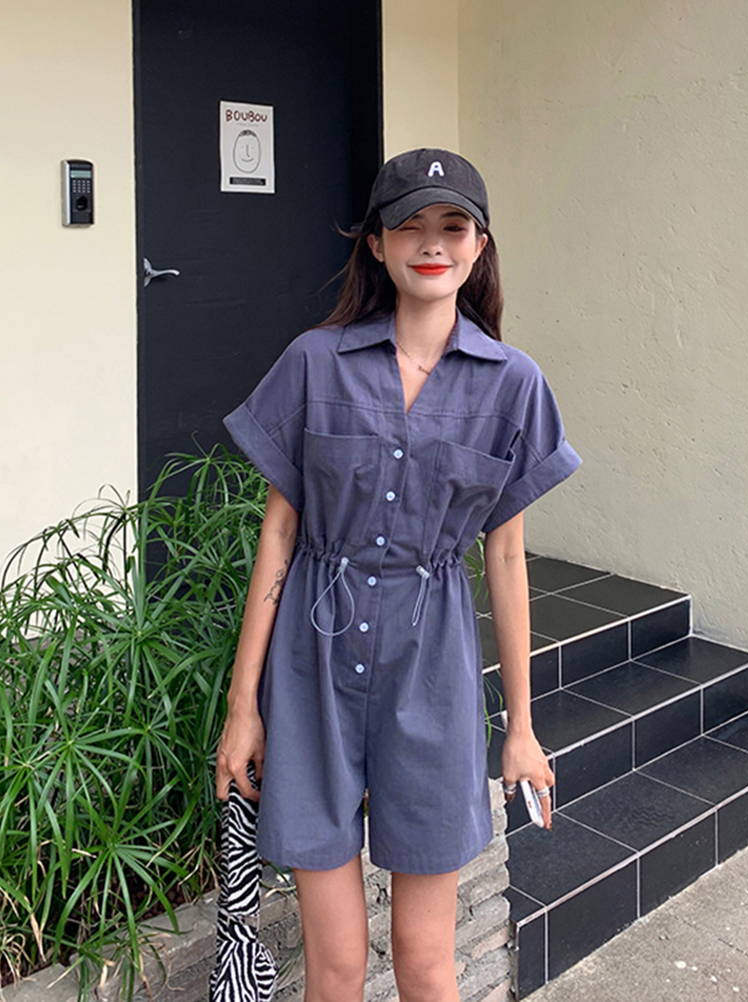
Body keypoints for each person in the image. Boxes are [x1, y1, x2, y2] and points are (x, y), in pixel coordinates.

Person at [216, 148, 582, 1002]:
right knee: (337, 965)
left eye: (453, 226)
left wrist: (521, 727)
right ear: (376, 244)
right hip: (312, 670)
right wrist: (243, 707)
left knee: (424, 963)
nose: (432, 244)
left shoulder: (513, 385)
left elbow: (505, 557)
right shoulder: (314, 363)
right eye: (410, 226)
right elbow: (279, 535)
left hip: (432, 672)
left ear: (480, 247)